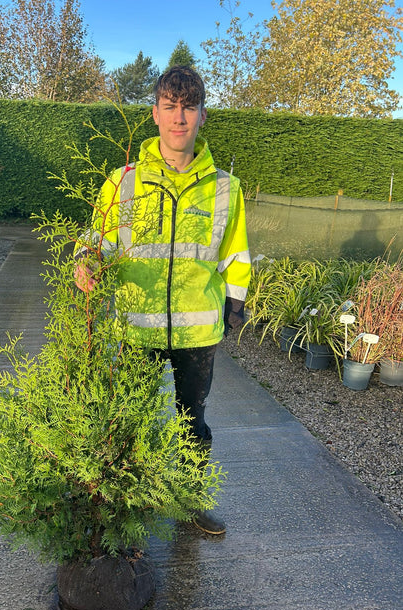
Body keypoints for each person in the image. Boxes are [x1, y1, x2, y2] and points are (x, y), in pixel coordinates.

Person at [75, 66, 251, 535]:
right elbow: (98, 239)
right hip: (136, 327)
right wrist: (85, 261)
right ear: (155, 114)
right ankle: (127, 505)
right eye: (170, 107)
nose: (179, 118)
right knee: (129, 420)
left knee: (193, 422)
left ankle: (189, 502)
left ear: (202, 116)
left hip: (198, 332)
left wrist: (234, 308)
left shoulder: (226, 189)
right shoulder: (123, 181)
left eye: (188, 107)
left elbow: (236, 255)